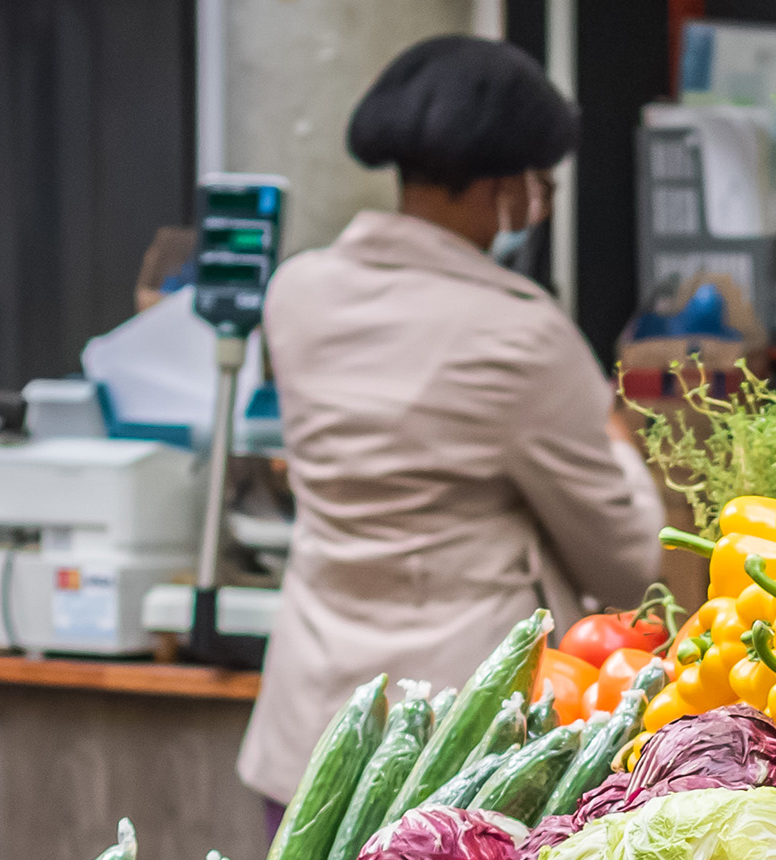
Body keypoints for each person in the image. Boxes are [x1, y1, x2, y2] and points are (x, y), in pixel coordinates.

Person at [237, 35, 664, 810]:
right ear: (506, 186)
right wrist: (612, 427)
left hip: (310, 737)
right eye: (541, 183)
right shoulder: (519, 335)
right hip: (453, 753)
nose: (541, 204)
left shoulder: (295, 295)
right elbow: (630, 563)